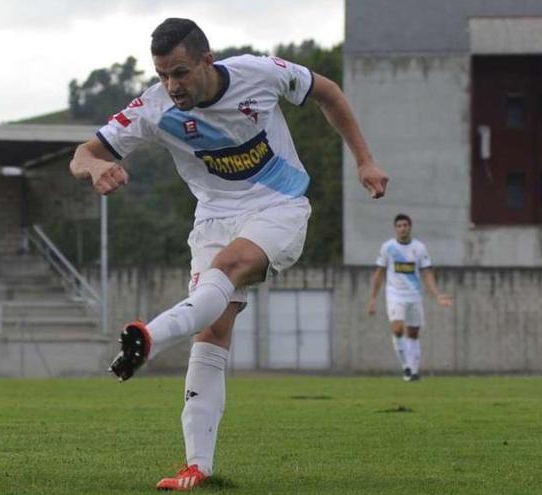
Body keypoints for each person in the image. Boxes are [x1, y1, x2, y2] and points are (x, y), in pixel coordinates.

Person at [70, 18, 389, 490]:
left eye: (180, 72)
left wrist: (364, 160)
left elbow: (328, 92)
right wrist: (95, 167)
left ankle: (149, 338)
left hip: (279, 204)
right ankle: (197, 467)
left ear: (206, 60)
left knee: (228, 268)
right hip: (213, 219)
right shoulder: (154, 107)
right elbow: (82, 152)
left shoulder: (259, 73)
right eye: (162, 75)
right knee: (213, 329)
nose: (172, 86)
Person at [367, 213, 452, 381]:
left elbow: (427, 273)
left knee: (413, 333)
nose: (403, 228)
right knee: (398, 329)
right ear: (395, 228)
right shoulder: (388, 248)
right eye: (399, 226)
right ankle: (406, 366)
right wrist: (373, 299)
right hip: (395, 295)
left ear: (410, 227)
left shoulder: (419, 248)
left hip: (414, 296)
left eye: (405, 225)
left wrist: (437, 295)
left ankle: (413, 372)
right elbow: (379, 274)